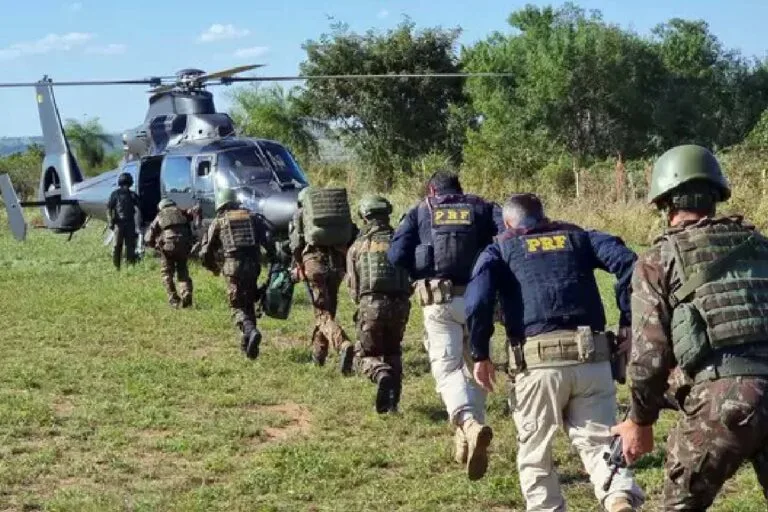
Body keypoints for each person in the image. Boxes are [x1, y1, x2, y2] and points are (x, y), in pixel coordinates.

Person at [611, 144, 768, 510]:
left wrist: (640, 421)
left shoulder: (658, 259)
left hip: (725, 402)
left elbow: (648, 358)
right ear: (716, 195)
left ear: (665, 203)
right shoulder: (762, 247)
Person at [466, 193, 645, 512]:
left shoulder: (500, 248)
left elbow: (478, 302)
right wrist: (628, 321)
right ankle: (619, 500)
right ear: (543, 215)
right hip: (592, 360)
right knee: (601, 445)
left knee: (536, 456)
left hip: (537, 367)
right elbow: (630, 263)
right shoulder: (579, 236)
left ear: (508, 222)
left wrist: (480, 353)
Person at [387, 170, 503, 481]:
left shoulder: (420, 210)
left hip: (439, 302)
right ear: (459, 188)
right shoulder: (482, 207)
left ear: (431, 189)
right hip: (480, 300)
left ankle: (467, 423)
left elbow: (396, 255)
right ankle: (467, 438)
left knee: (448, 368)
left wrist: (420, 270)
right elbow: (509, 234)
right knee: (477, 363)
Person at [346, 195, 411, 413]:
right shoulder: (401, 241)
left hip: (371, 306)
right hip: (400, 307)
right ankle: (392, 405)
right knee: (394, 352)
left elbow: (354, 289)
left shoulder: (357, 247)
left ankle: (380, 374)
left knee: (365, 355)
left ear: (365, 217)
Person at [199, 187, 275, 359]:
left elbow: (205, 251)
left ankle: (251, 331)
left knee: (237, 306)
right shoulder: (253, 217)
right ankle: (249, 348)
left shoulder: (220, 221)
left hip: (233, 268)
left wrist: (214, 268)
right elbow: (269, 242)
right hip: (254, 266)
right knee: (248, 301)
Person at [289, 187, 357, 375]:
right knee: (327, 311)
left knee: (322, 314)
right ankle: (318, 356)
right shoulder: (337, 217)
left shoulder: (301, 214)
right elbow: (353, 235)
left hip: (315, 265)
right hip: (337, 266)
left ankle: (342, 344)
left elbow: (295, 244)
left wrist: (299, 265)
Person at [144, 198, 197, 308]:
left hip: (168, 247)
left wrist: (154, 246)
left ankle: (174, 300)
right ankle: (186, 291)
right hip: (184, 246)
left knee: (167, 273)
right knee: (183, 270)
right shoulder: (181, 212)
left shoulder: (161, 215)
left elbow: (149, 237)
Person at [107, 172, 141, 270]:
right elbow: (109, 208)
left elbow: (109, 209)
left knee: (120, 246)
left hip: (122, 223)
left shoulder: (116, 194)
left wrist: (110, 222)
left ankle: (119, 266)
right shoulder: (131, 195)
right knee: (126, 245)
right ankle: (126, 265)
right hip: (124, 223)